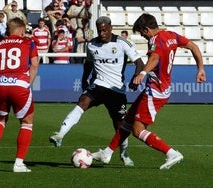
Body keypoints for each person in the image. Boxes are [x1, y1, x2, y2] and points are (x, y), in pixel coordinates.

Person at [91, 13, 206, 170]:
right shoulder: (171, 35)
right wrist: (200, 69)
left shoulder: (155, 40)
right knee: (127, 121)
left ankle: (171, 153)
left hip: (156, 91)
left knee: (138, 130)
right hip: (159, 88)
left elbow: (154, 59)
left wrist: (142, 73)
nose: (143, 37)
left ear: (146, 29)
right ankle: (107, 153)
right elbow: (193, 46)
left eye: (142, 33)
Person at [49, 16, 144, 166]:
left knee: (120, 125)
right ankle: (60, 134)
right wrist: (84, 79)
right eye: (100, 31)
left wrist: (136, 77)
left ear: (111, 28)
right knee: (83, 101)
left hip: (116, 90)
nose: (102, 33)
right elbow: (88, 63)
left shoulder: (122, 43)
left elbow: (139, 62)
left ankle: (124, 153)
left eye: (105, 30)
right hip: (98, 85)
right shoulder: (92, 45)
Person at [0, 17, 39, 173]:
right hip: (19, 85)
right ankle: (19, 163)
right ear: (20, 30)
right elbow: (34, 64)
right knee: (27, 122)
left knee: (0, 120)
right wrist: (28, 82)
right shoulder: (29, 43)